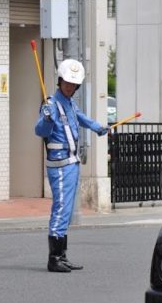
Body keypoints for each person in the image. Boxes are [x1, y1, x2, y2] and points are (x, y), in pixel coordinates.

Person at [34, 58, 109, 273]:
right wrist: (46, 120)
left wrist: (98, 128)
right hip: (59, 165)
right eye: (67, 82)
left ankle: (62, 255)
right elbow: (40, 131)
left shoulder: (69, 103)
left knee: (66, 210)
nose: (70, 87)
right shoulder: (51, 104)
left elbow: (81, 118)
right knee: (61, 208)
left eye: (74, 84)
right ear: (60, 81)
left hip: (71, 163)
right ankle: (54, 258)